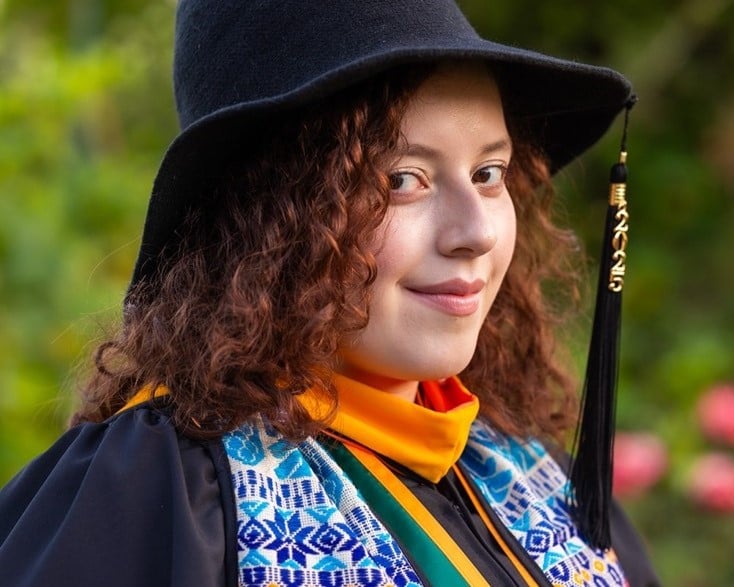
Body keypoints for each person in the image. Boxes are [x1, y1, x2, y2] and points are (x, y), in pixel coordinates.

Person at [0, 1, 660, 585]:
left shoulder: (527, 472)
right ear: (272, 218)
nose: (476, 231)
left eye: (490, 172)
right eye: (403, 179)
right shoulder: (167, 492)